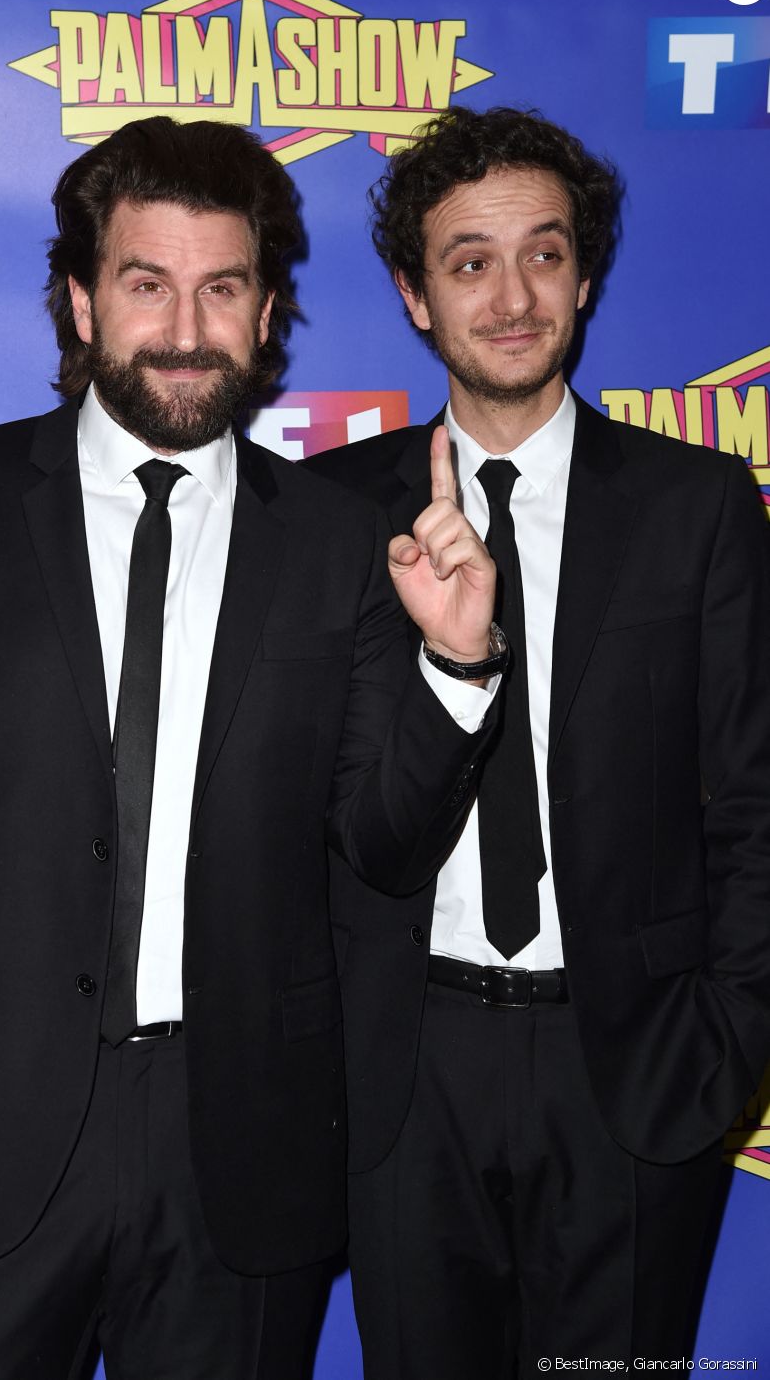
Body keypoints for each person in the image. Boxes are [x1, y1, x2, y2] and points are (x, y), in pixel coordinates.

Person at [0, 116, 500, 1379]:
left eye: (221, 287)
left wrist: (456, 668)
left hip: (235, 1150)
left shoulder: (337, 541)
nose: (185, 328)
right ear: (80, 304)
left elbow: (385, 846)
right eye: (145, 284)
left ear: (264, 313)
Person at [307, 105, 770, 1376]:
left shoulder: (699, 509)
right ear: (413, 295)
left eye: (544, 254)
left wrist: (725, 1043)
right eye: (467, 261)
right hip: (406, 1072)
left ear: (582, 272)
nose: (511, 297)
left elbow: (753, 798)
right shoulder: (336, 514)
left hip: (634, 1067)